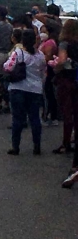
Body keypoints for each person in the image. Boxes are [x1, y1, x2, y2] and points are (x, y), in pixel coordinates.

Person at [3, 29, 46, 156]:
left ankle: (15, 146)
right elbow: (43, 71)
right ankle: (36, 146)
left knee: (17, 119)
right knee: (34, 118)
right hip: (35, 89)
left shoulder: (18, 53)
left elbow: (8, 67)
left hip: (18, 88)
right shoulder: (40, 55)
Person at [53, 20, 78, 156]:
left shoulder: (64, 44)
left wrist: (57, 68)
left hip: (66, 80)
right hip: (76, 79)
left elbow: (62, 60)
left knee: (67, 113)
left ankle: (66, 143)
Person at [40, 24, 60, 126]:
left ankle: (49, 116)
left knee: (48, 95)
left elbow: (47, 57)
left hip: (48, 71)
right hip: (44, 71)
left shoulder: (49, 43)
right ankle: (51, 115)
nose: (42, 34)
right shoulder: (44, 42)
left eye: (44, 32)